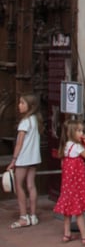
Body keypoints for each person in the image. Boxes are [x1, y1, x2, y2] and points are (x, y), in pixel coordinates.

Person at [53, 117, 85, 245]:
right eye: (79, 131)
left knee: (67, 210)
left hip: (67, 186)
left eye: (82, 131)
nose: (82, 133)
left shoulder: (66, 146)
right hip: (77, 185)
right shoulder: (77, 147)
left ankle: (67, 234)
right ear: (71, 132)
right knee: (78, 212)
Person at [6, 93, 42, 228]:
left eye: (22, 103)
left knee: (19, 186)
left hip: (23, 158)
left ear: (30, 106)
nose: (19, 105)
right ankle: (33, 215)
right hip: (33, 158)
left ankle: (23, 216)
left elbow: (19, 143)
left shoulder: (25, 122)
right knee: (31, 185)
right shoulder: (35, 120)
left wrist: (13, 160)